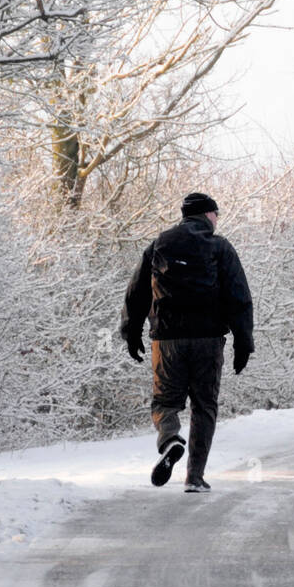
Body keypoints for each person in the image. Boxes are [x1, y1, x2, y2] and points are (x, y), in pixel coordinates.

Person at [119, 191, 254, 492]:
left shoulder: (160, 244)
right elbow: (239, 297)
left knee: (165, 402)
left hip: (166, 341)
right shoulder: (220, 247)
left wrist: (131, 331)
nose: (218, 220)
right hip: (208, 340)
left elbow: (137, 291)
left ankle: (169, 437)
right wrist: (244, 342)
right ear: (208, 215)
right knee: (204, 406)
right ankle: (194, 477)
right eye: (216, 214)